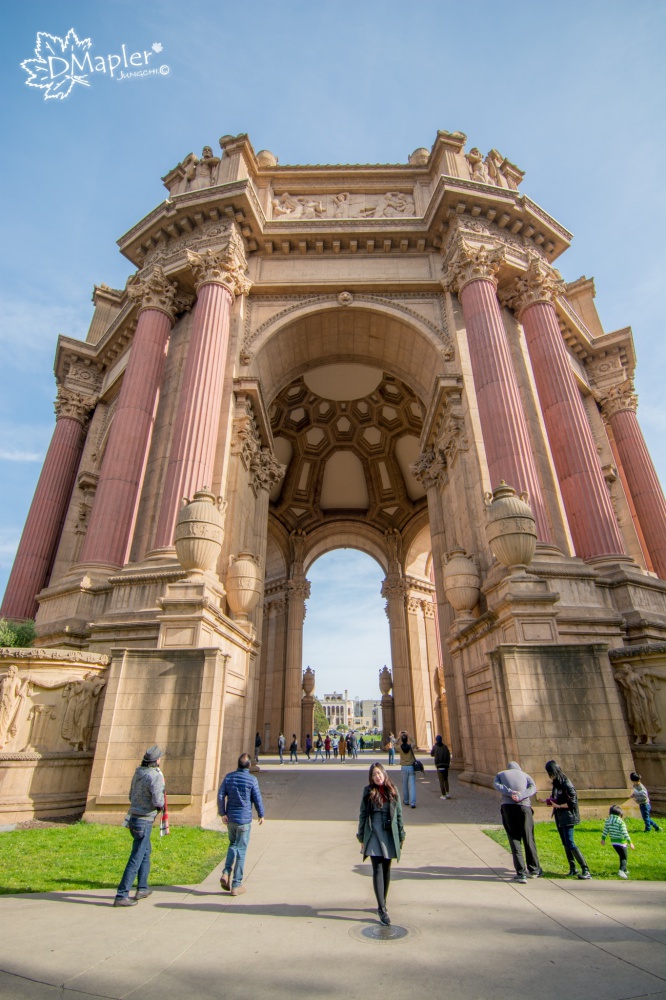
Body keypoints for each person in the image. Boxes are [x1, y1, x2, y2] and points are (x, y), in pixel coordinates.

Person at [114, 744, 165, 907]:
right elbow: (158, 800)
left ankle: (142, 888)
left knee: (145, 851)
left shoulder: (138, 772)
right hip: (145, 820)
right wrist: (161, 806)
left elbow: (131, 795)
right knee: (136, 857)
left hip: (133, 817)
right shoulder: (155, 776)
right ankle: (122, 894)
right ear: (157, 760)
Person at [357, 762, 405, 926]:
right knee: (377, 868)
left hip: (389, 833)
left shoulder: (393, 790)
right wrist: (361, 837)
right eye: (374, 774)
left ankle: (382, 900)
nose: (377, 776)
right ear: (371, 778)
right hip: (374, 833)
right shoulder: (368, 791)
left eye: (379, 773)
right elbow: (363, 814)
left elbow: (399, 814)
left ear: (384, 773)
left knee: (386, 869)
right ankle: (382, 908)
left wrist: (401, 834)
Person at [218, 753, 265, 897]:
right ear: (249, 765)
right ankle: (236, 884)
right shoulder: (252, 780)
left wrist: (222, 812)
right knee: (241, 851)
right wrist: (261, 814)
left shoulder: (229, 777)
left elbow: (221, 795)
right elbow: (257, 798)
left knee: (232, 844)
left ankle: (226, 872)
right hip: (244, 820)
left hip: (231, 818)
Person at [493, 761, 542, 883]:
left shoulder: (501, 774)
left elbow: (496, 785)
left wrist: (510, 792)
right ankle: (534, 869)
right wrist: (521, 795)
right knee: (528, 837)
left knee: (514, 838)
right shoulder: (525, 775)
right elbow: (533, 788)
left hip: (508, 806)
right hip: (524, 807)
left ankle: (521, 873)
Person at [543, 760, 591, 879]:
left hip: (568, 816)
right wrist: (547, 801)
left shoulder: (566, 783)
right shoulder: (556, 784)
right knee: (565, 843)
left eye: (550, 773)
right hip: (559, 816)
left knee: (570, 842)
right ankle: (572, 868)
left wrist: (558, 806)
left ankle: (585, 869)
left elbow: (572, 802)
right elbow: (557, 798)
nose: (550, 776)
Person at [600, 805, 635, 879]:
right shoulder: (620, 822)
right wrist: (630, 843)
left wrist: (603, 839)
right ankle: (621, 871)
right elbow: (625, 833)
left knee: (621, 855)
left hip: (614, 843)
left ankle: (625, 870)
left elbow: (605, 831)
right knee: (624, 857)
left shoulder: (608, 821)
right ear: (620, 814)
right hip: (621, 843)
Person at [397, 732, 417, 808]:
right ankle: (413, 803)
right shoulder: (410, 746)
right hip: (411, 767)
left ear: (402, 740)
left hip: (404, 767)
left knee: (405, 785)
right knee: (412, 786)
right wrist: (409, 735)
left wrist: (398, 736)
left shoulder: (399, 748)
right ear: (407, 739)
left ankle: (406, 800)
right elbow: (414, 741)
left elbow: (394, 744)